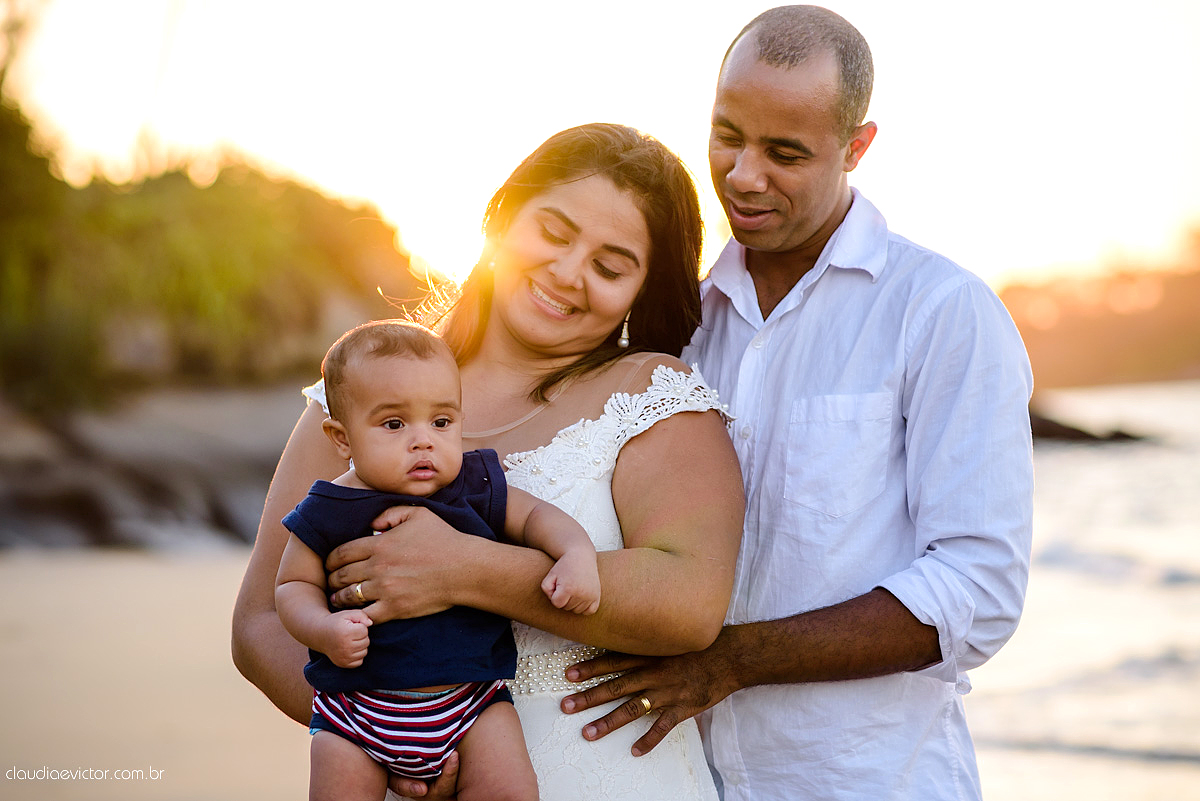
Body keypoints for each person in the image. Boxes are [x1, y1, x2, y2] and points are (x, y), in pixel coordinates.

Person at [560, 7, 1035, 801]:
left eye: (785, 153)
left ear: (856, 147)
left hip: (869, 783)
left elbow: (979, 588)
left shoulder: (940, 309)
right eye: (726, 135)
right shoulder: (676, 321)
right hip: (678, 781)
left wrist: (731, 661)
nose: (744, 175)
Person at [232, 122, 746, 800]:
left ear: (642, 290)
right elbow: (261, 621)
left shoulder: (651, 395)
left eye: (610, 265)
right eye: (555, 233)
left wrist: (465, 571)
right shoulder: (366, 392)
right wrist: (391, 736)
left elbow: (689, 600)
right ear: (503, 217)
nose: (568, 273)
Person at [276, 319, 603, 800]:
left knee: (510, 791)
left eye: (442, 422)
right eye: (394, 424)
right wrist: (322, 629)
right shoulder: (328, 507)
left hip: (472, 704)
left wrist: (576, 553)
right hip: (354, 711)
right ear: (341, 438)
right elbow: (291, 587)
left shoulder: (474, 486)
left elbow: (537, 517)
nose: (423, 440)